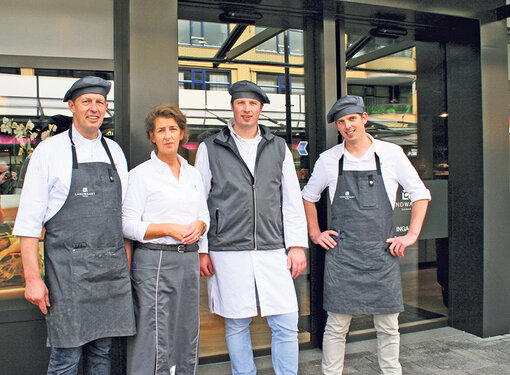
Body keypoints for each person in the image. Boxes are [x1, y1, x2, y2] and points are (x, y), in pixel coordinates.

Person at [13, 76, 135, 375]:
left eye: (100, 102)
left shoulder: (115, 152)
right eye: (86, 102)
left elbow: (123, 218)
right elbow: (29, 223)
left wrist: (125, 269)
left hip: (110, 273)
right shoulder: (49, 151)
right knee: (66, 357)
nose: (94, 108)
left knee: (103, 353)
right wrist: (33, 279)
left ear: (105, 108)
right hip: (69, 275)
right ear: (72, 106)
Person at [302, 95, 431, 375]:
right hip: (343, 254)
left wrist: (410, 235)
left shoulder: (391, 154)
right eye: (341, 122)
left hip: (381, 254)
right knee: (336, 325)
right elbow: (308, 197)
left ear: (364, 119)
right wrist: (315, 232)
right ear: (337, 127)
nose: (347, 126)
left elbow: (421, 194)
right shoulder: (329, 160)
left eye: (351, 119)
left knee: (388, 325)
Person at [195, 80, 308, 375]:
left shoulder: (278, 146)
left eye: (253, 104)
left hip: (273, 246)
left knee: (285, 320)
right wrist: (202, 249)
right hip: (227, 248)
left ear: (260, 109)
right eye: (241, 103)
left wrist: (296, 245)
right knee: (236, 322)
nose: (246, 109)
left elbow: (292, 199)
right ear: (232, 106)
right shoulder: (211, 147)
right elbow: (199, 201)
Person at [122, 104, 209, 375]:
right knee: (153, 332)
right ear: (152, 136)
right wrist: (166, 229)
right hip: (154, 260)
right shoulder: (140, 175)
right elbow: (127, 225)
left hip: (188, 260)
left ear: (182, 134)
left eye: (173, 129)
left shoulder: (193, 173)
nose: (168, 135)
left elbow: (203, 213)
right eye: (161, 130)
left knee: (186, 328)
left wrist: (201, 224)